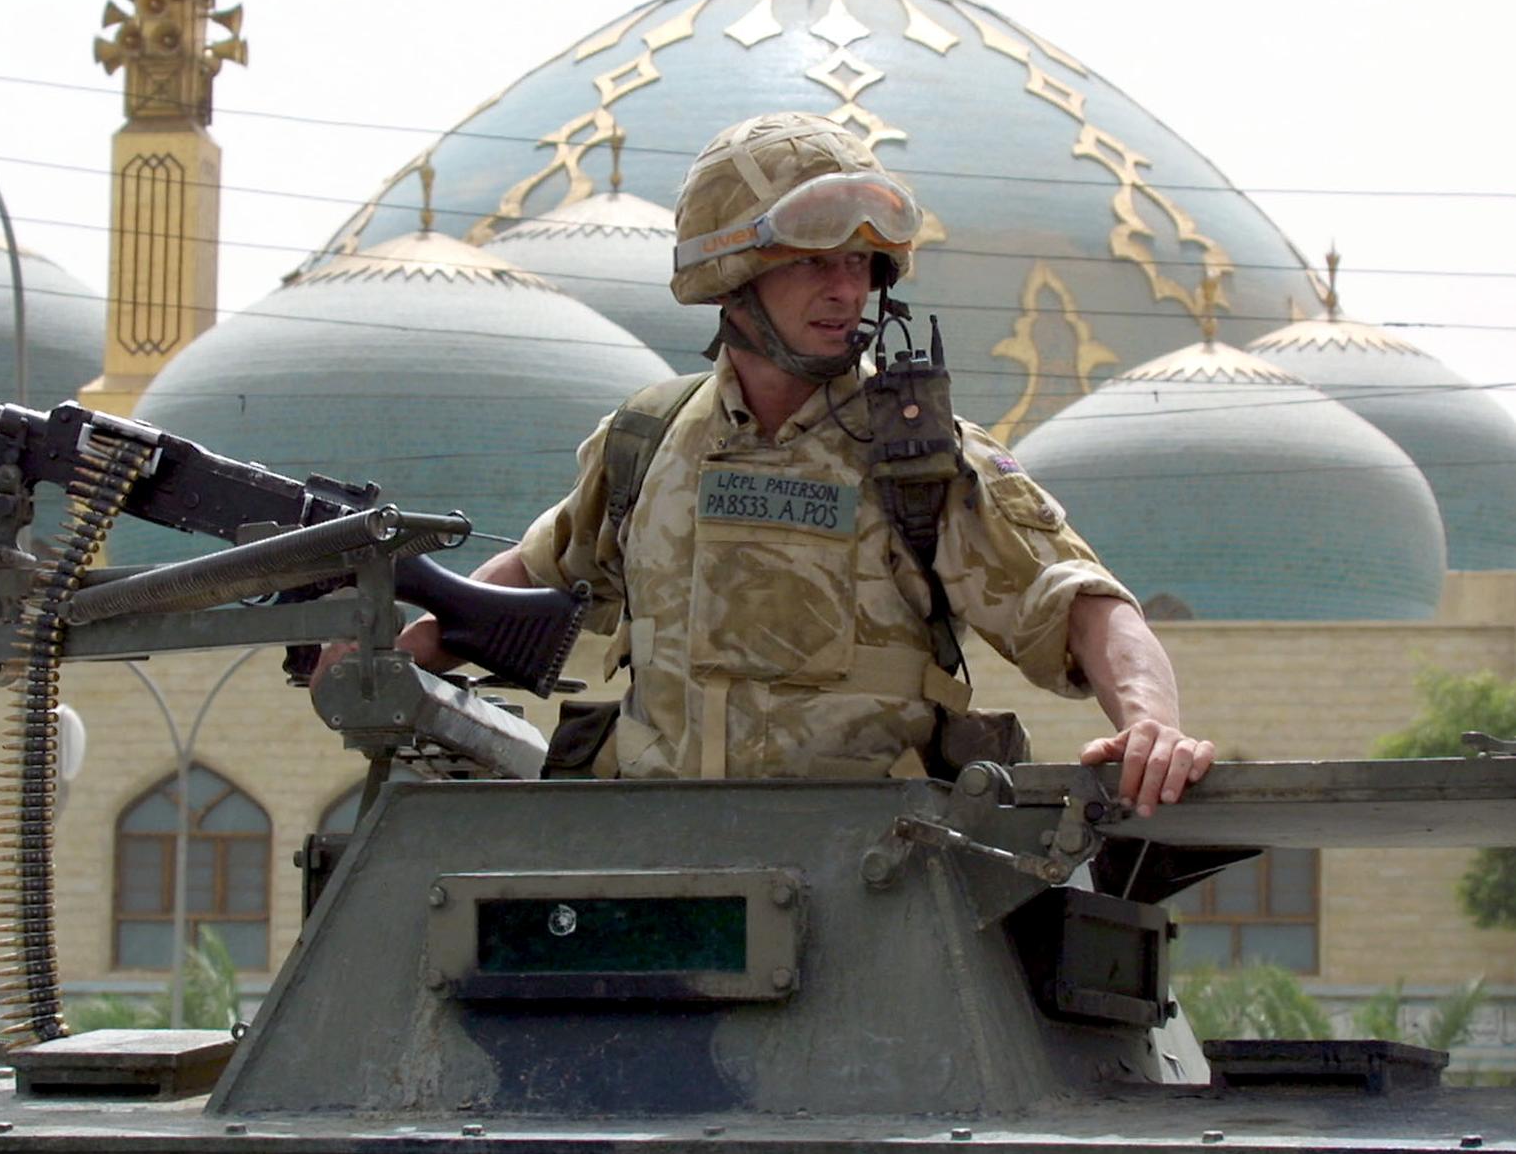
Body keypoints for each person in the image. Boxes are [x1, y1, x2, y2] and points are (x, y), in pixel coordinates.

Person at [381, 111, 1212, 815]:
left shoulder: (919, 456)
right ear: (733, 274)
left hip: (864, 879)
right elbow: (530, 577)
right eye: (816, 261)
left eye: (860, 265)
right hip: (643, 867)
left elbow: (1083, 603)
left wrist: (1151, 723)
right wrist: (394, 655)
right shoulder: (646, 440)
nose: (846, 290)